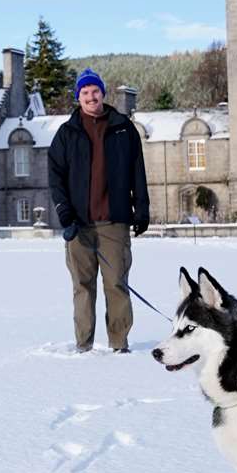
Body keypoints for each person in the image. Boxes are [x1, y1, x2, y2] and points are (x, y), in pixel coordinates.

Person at [47, 68, 150, 353]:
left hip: (114, 221)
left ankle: (119, 344)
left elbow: (137, 172)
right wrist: (63, 211)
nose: (91, 97)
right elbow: (55, 176)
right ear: (78, 97)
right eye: (85, 93)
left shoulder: (123, 128)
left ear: (103, 93)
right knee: (83, 285)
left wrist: (141, 210)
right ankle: (84, 345)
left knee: (116, 283)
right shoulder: (67, 133)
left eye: (95, 91)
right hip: (78, 223)